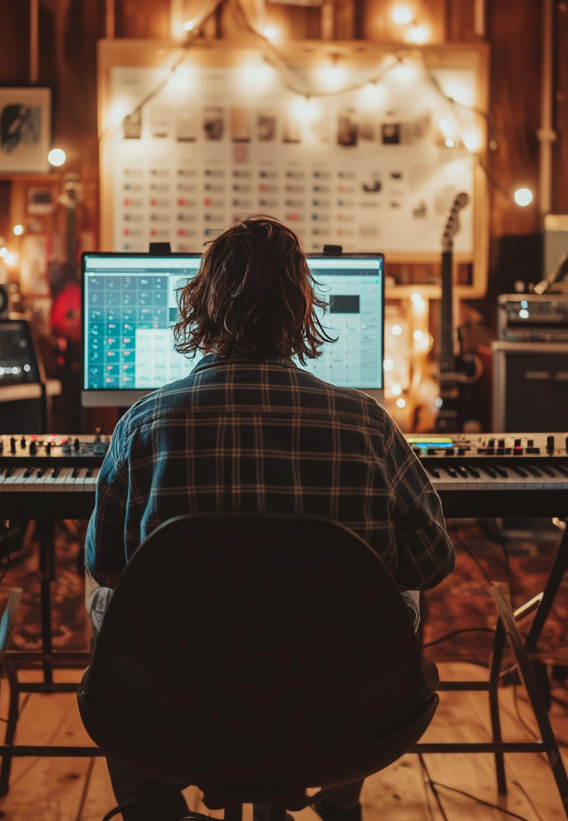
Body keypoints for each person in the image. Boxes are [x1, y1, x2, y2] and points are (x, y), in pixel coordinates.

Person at [85, 216, 454, 821]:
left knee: (103, 599)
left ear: (199, 305)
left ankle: (155, 808)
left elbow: (107, 564)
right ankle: (336, 795)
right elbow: (432, 561)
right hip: (336, 704)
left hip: (181, 699)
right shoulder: (366, 422)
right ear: (303, 308)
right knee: (399, 591)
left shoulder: (143, 424)